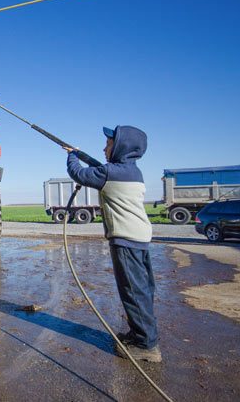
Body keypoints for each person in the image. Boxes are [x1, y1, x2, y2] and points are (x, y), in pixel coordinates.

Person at [64, 125, 161, 363]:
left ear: (120, 147)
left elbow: (79, 174)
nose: (104, 148)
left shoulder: (112, 173)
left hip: (126, 240)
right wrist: (83, 155)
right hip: (138, 238)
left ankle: (146, 347)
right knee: (140, 290)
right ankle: (139, 334)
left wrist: (71, 155)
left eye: (108, 144)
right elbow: (102, 168)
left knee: (133, 292)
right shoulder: (130, 171)